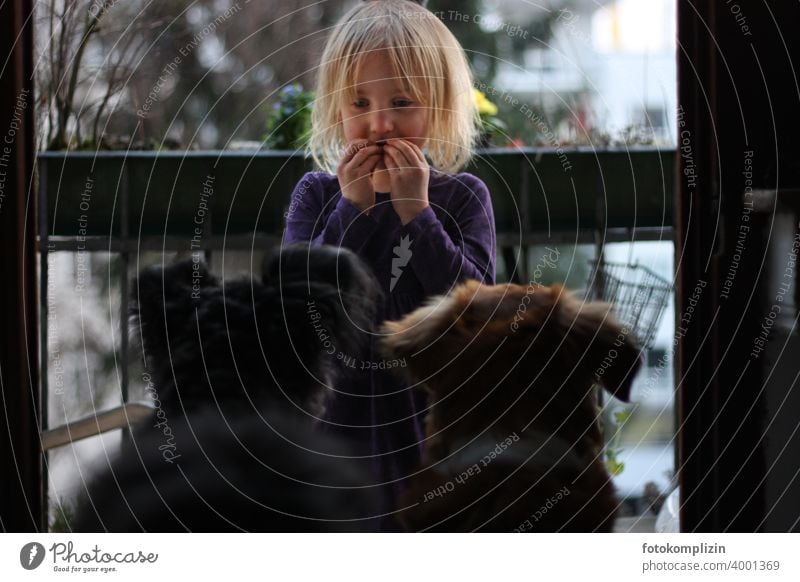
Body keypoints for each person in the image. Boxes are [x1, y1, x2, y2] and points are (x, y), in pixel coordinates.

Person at [282, 0, 496, 529]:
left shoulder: (465, 198)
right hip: (333, 423)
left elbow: (476, 308)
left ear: (441, 107)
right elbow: (295, 301)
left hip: (433, 424)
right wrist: (352, 212)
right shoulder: (315, 195)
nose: (379, 123)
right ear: (336, 108)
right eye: (360, 102)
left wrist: (418, 217)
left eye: (402, 102)